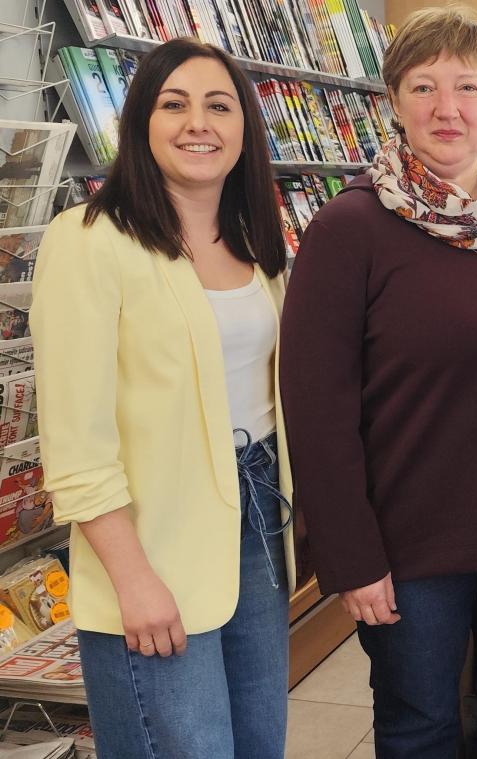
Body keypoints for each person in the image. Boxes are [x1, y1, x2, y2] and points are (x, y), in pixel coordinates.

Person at [279, 7, 477, 758]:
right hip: (407, 547)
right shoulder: (348, 229)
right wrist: (350, 557)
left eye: (466, 86)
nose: (447, 108)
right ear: (392, 101)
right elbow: (316, 408)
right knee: (420, 730)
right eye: (423, 86)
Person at [31, 38, 295, 758]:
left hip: (259, 526)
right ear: (139, 122)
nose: (197, 123)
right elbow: (75, 439)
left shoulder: (256, 242)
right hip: (151, 542)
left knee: (257, 741)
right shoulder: (89, 242)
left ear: (245, 127)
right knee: (184, 745)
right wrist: (132, 579)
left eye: (218, 105)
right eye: (171, 104)